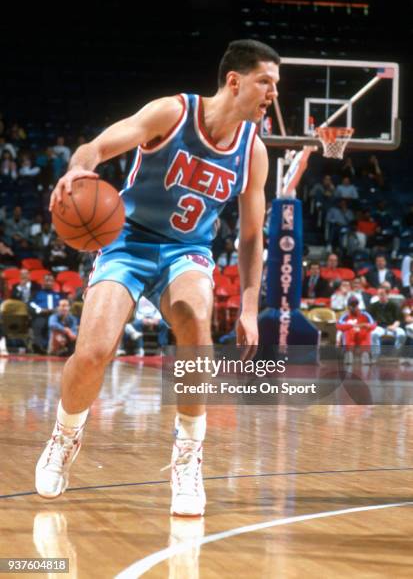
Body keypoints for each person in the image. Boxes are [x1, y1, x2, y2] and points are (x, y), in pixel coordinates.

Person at [35, 39, 280, 516]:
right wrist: (77, 170)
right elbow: (98, 146)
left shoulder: (254, 151)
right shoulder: (172, 113)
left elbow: (252, 237)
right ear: (235, 81)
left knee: (193, 321)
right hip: (127, 239)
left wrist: (249, 308)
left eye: (275, 84)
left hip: (187, 251)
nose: (273, 93)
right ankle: (64, 438)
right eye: (265, 82)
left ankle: (188, 456)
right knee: (93, 353)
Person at [336, 296, 376, 364]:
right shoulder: (345, 315)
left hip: (362, 336)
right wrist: (350, 326)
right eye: (352, 305)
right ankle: (348, 355)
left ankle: (366, 355)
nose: (354, 307)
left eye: (355, 304)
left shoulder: (365, 314)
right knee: (346, 332)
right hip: (350, 336)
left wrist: (364, 325)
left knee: (367, 333)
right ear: (348, 306)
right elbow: (338, 326)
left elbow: (373, 325)